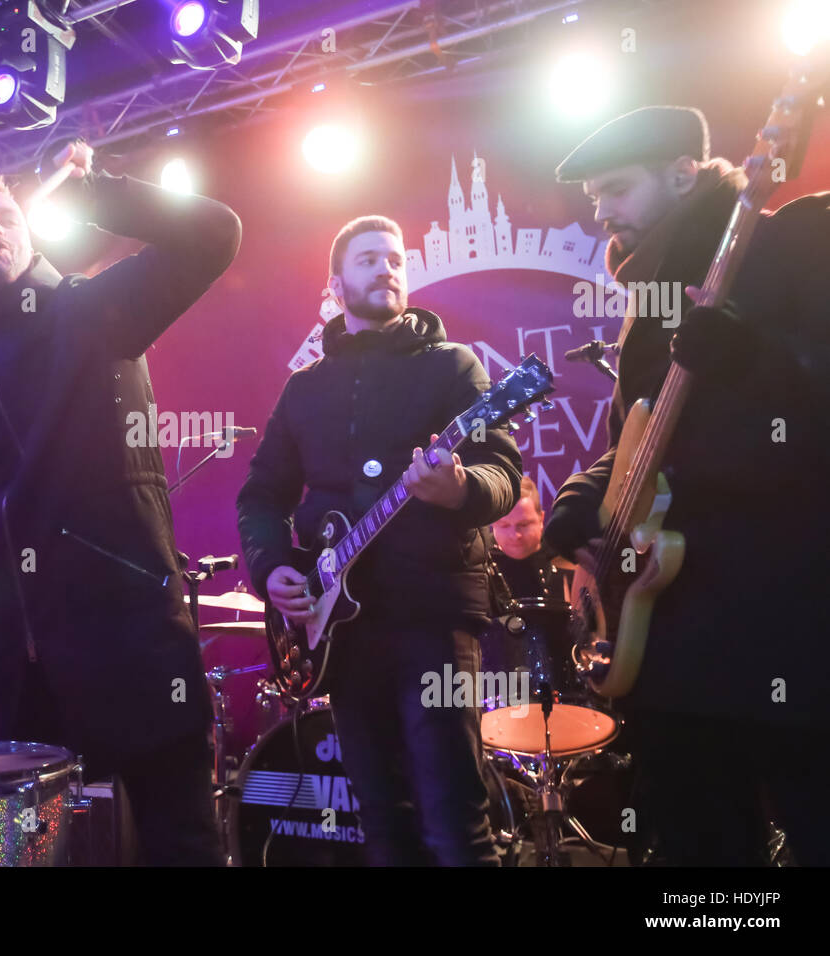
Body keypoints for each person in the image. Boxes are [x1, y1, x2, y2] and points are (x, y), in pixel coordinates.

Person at [0, 139, 241, 864]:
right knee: (19, 854)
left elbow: (214, 234)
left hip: (131, 640)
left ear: (28, 234)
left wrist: (99, 192)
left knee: (181, 843)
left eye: (4, 214)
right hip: (15, 671)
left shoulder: (94, 312)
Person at [543, 106, 830, 865]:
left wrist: (754, 364)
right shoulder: (647, 302)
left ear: (683, 174)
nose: (599, 210)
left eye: (616, 189)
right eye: (593, 196)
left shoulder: (789, 246)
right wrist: (579, 506)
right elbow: (635, 443)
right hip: (673, 650)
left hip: (789, 632)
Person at [236, 215, 522, 865]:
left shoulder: (453, 367)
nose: (386, 267)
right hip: (342, 632)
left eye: (395, 258)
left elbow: (504, 476)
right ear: (337, 284)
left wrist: (458, 489)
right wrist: (273, 568)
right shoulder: (305, 388)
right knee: (381, 825)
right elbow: (260, 495)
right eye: (367, 259)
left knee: (454, 820)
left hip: (433, 613)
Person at [487, 475, 568, 605]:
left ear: (541, 519)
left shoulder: (565, 552)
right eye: (504, 525)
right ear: (492, 524)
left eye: (524, 524)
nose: (515, 535)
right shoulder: (479, 561)